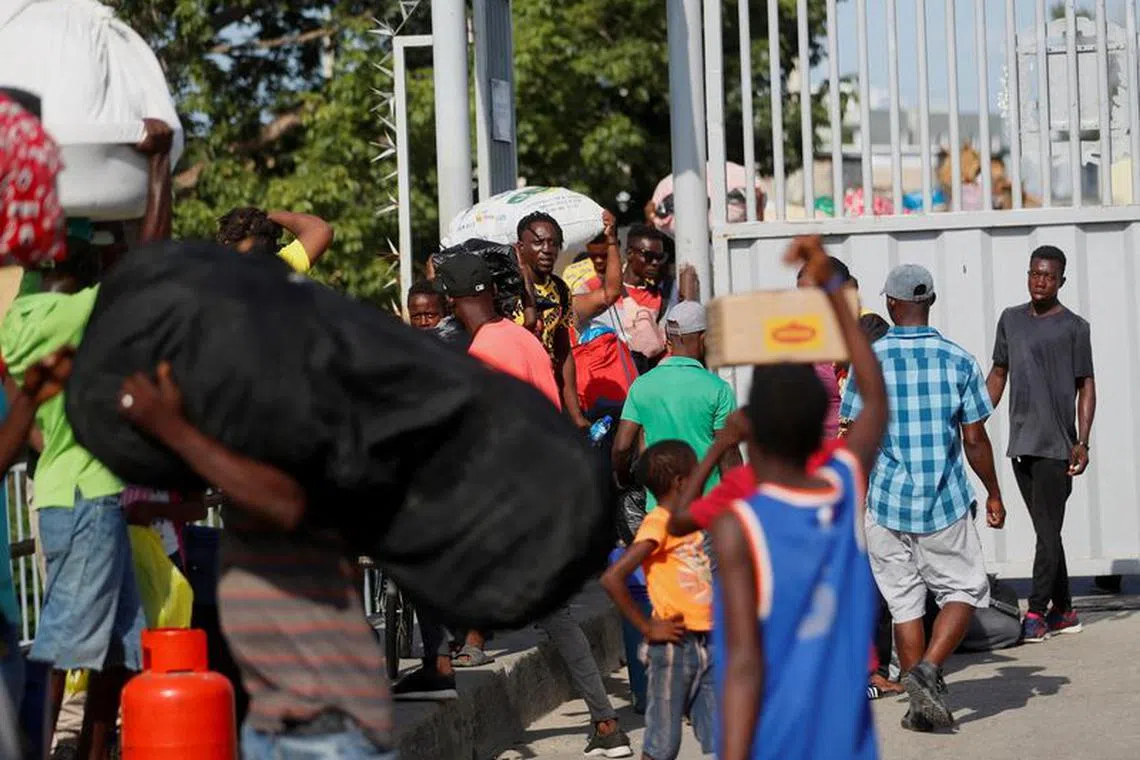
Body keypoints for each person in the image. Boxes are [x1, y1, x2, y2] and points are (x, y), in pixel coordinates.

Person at [437, 253, 633, 757]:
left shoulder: (486, 348)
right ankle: (604, 721)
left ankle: (605, 721)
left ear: (458, 300)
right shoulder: (522, 335)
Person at [711, 236, 888, 760]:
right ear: (823, 423)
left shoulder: (738, 526)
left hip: (773, 742)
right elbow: (875, 399)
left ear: (752, 430)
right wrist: (833, 290)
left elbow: (743, 664)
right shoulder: (840, 491)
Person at [840, 263, 1007, 732]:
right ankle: (928, 670)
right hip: (944, 504)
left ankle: (920, 703)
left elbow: (857, 438)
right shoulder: (958, 360)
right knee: (966, 589)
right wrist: (993, 491)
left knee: (905, 604)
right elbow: (974, 439)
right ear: (930, 302)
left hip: (887, 503)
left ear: (891, 305)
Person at [986, 245, 1096, 642]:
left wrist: (1082, 441)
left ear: (1061, 281)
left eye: (1048, 276)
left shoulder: (1074, 327)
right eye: (1035, 273)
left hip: (1057, 446)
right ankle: (1064, 610)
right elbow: (999, 372)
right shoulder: (1011, 320)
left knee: (1046, 534)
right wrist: (976, 414)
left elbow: (1086, 384)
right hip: (1022, 444)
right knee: (1047, 530)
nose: (1040, 281)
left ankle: (1035, 612)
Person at [601, 441, 715, 760]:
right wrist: (647, 626)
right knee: (663, 742)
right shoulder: (659, 521)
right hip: (673, 648)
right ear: (681, 482)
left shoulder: (694, 520)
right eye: (697, 474)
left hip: (709, 641)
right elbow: (613, 578)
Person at [612, 301, 742, 511]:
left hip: (660, 510)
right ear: (704, 338)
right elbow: (729, 454)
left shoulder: (642, 385)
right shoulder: (718, 389)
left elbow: (622, 446)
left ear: (668, 338)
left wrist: (624, 479)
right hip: (707, 510)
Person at [513, 212, 590, 427]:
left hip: (547, 390)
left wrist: (575, 414)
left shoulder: (561, 290)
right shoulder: (506, 289)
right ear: (520, 247)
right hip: (513, 389)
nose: (547, 250)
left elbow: (564, 350)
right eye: (538, 243)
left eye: (553, 243)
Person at [217, 207, 335, 274]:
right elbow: (321, 229)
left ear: (226, 243)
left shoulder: (216, 278)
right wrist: (267, 216)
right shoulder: (282, 267)